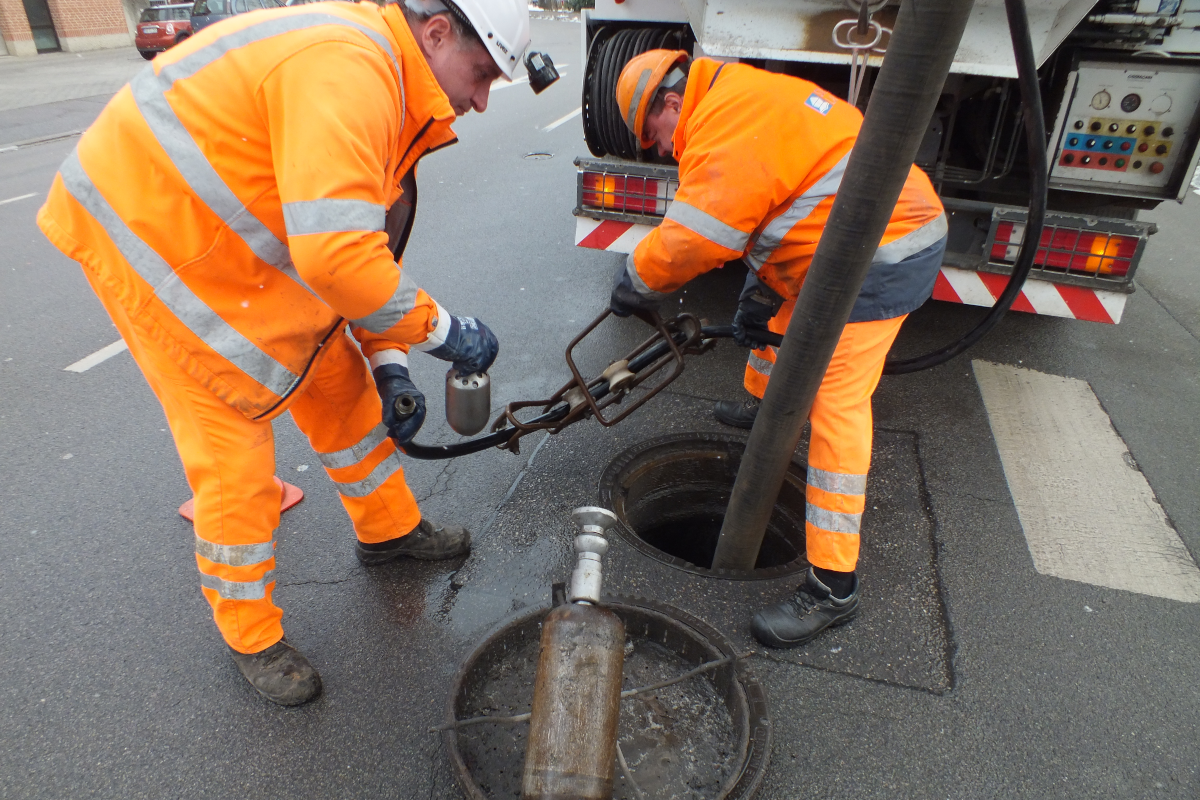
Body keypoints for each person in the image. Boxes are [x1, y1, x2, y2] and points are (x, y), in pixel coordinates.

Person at [37, 0, 533, 705]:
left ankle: (389, 530)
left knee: (338, 382)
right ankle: (251, 634)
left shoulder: (389, 86)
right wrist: (447, 333)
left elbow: (363, 263)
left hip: (232, 240)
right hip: (157, 243)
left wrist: (391, 369)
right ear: (436, 32)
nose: (480, 101)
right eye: (481, 74)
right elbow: (341, 262)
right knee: (235, 452)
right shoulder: (349, 71)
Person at [609, 50, 948, 650]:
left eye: (652, 136)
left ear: (668, 103)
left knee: (837, 405)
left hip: (881, 253)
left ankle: (832, 587)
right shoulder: (733, 95)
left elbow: (694, 239)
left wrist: (636, 278)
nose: (659, 150)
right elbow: (777, 200)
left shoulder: (725, 123)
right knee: (774, 319)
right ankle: (764, 407)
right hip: (837, 247)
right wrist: (758, 291)